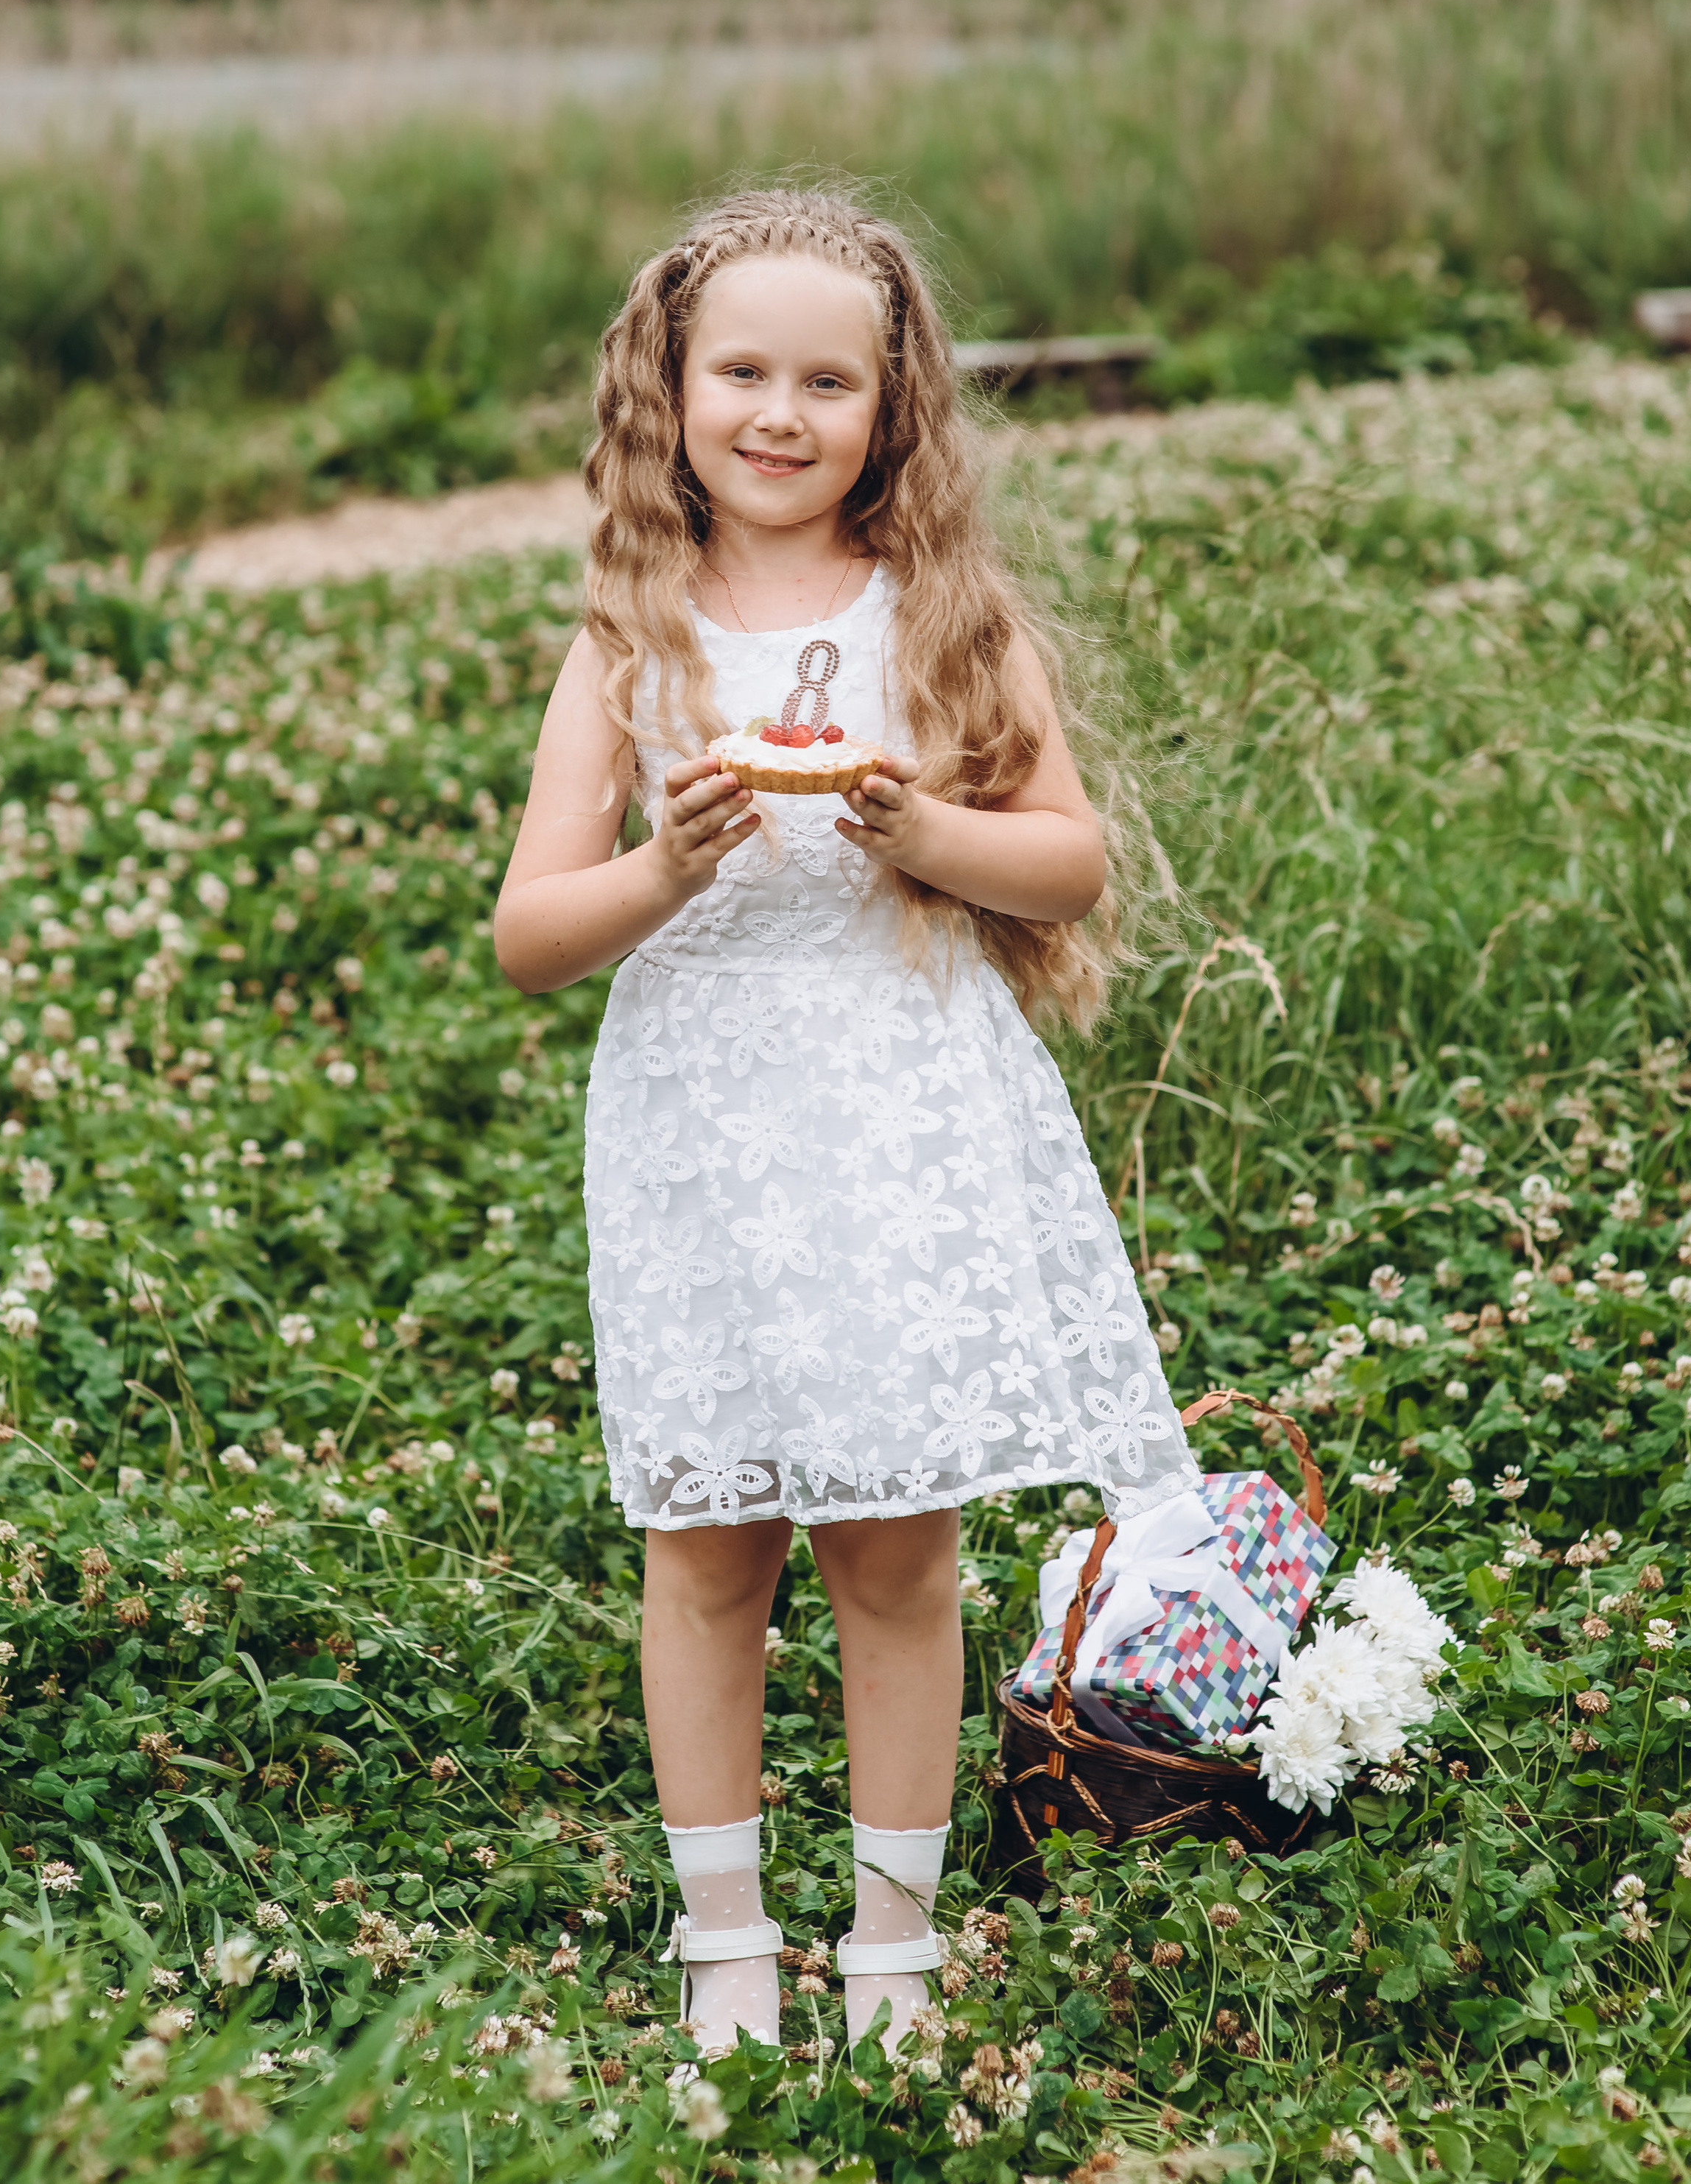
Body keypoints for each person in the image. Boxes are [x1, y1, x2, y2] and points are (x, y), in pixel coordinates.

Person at [493, 186, 1201, 2056]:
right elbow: (529, 934)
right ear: (671, 388)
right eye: (742, 373)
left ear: (892, 408)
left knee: (894, 1546)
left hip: (897, 1106)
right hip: (707, 1127)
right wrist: (663, 868)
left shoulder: (944, 618)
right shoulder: (628, 632)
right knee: (707, 1546)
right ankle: (723, 1939)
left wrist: (922, 829)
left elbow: (1064, 862)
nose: (781, 414)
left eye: (829, 381)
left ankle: (891, 1947)